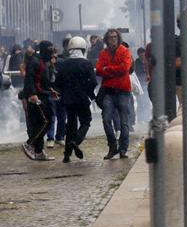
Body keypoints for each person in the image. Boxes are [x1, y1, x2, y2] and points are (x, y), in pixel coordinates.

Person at [55, 36, 97, 163]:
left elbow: (58, 83)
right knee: (86, 121)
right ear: (83, 49)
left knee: (71, 125)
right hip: (82, 98)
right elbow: (93, 82)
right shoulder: (87, 63)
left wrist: (64, 93)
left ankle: (67, 155)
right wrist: (89, 93)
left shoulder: (63, 64)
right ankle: (76, 141)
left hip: (68, 99)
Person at [95, 29, 133, 159]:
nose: (113, 39)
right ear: (106, 39)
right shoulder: (103, 53)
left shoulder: (125, 51)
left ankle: (123, 149)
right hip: (109, 91)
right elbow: (99, 69)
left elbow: (125, 68)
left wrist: (108, 69)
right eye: (110, 37)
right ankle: (112, 147)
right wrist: (113, 70)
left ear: (119, 38)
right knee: (106, 120)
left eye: (115, 37)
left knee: (124, 123)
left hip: (123, 90)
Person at [20, 41, 56, 161]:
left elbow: (42, 80)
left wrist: (50, 90)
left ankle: (39, 151)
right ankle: (29, 144)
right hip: (36, 98)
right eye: (50, 50)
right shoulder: (35, 62)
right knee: (46, 121)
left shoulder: (43, 62)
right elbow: (29, 79)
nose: (52, 53)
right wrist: (33, 94)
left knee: (41, 123)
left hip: (42, 95)